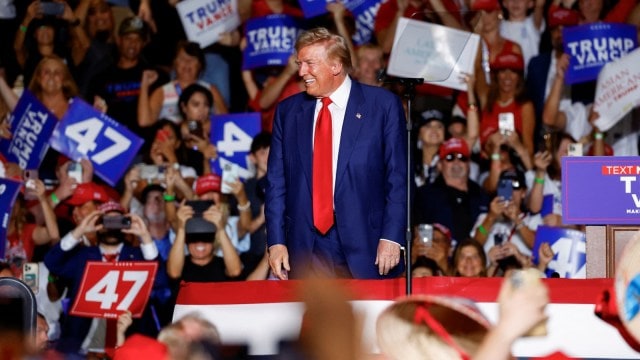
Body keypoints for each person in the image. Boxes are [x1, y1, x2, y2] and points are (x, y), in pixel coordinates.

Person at [266, 27, 407, 280]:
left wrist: (391, 237)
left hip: (369, 244)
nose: (301, 72)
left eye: (309, 64)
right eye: (300, 64)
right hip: (306, 248)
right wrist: (276, 242)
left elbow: (399, 179)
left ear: (335, 66)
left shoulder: (382, 106)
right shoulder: (288, 112)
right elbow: (276, 183)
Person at [44, 200, 166, 357]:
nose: (112, 227)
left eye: (118, 221)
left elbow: (160, 280)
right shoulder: (83, 256)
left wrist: (145, 236)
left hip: (127, 342)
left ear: (125, 226)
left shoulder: (137, 256)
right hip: (82, 344)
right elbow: (52, 262)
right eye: (107, 221)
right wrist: (79, 231)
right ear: (98, 225)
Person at [413, 138, 490, 243]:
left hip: (473, 255)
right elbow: (418, 230)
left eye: (462, 158)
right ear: (440, 165)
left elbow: (482, 229)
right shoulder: (425, 196)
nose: (456, 162)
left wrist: (483, 227)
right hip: (438, 255)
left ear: (469, 164)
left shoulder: (482, 196)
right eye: (450, 158)